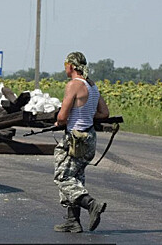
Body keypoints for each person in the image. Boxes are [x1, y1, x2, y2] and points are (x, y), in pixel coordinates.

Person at [53, 51, 110, 233]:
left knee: (63, 177)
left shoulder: (74, 85)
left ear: (71, 66)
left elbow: (62, 117)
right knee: (75, 178)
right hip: (89, 138)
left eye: (65, 65)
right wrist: (86, 116)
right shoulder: (92, 86)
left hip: (75, 140)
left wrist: (59, 121)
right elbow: (104, 113)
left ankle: (91, 204)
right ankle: (73, 221)